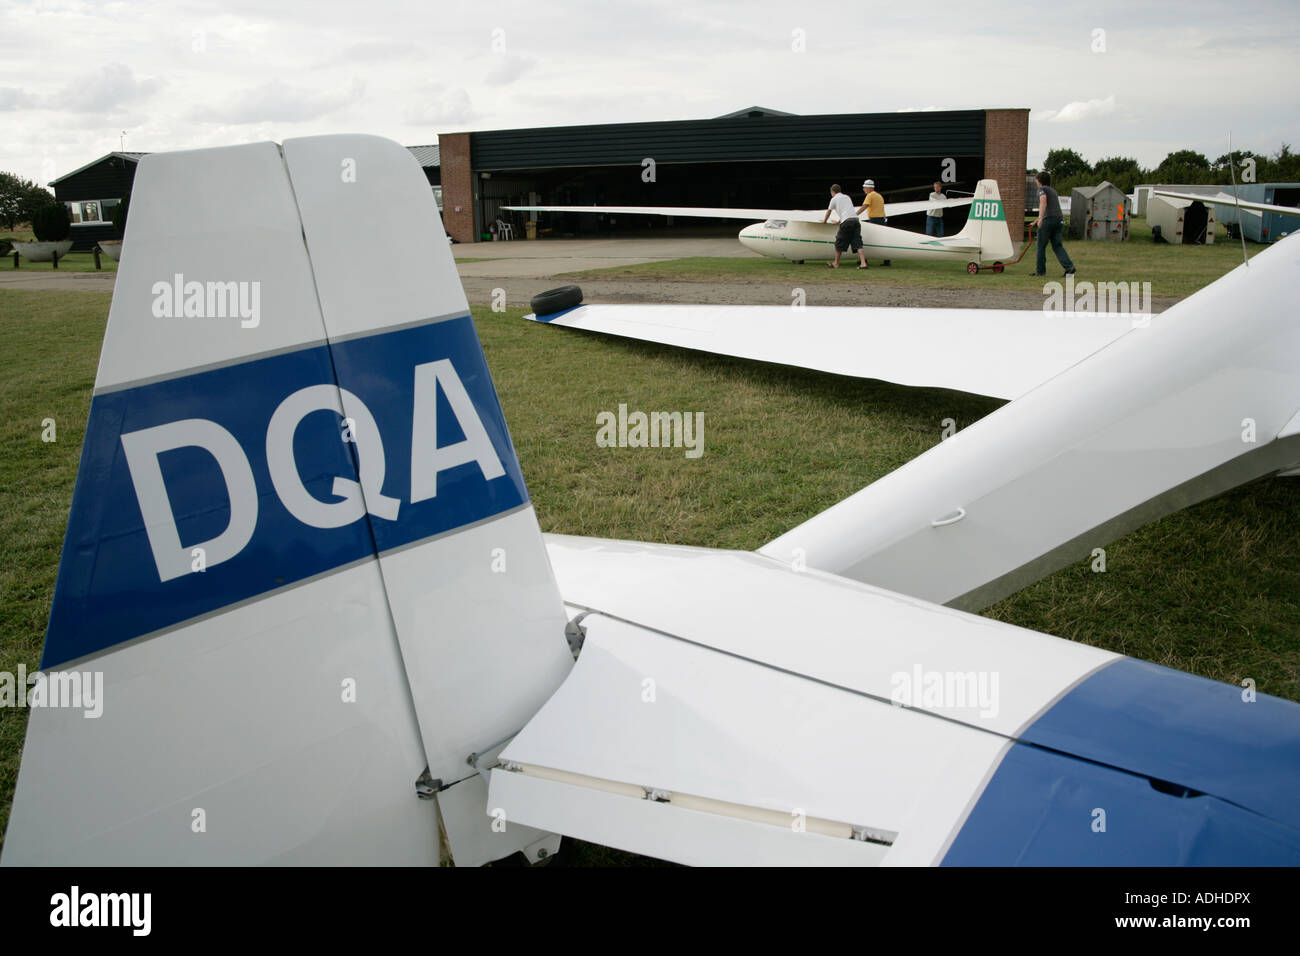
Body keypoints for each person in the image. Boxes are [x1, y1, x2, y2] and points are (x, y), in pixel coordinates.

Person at [1032, 171, 1075, 277]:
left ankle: (1040, 271)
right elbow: (1052, 207)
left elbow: (1043, 201)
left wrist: (1041, 218)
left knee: (1041, 246)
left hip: (1048, 220)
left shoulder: (1042, 190)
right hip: (1058, 220)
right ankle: (1069, 268)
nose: (1036, 182)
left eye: (1036, 180)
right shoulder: (1053, 191)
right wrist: (1037, 219)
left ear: (1040, 181)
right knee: (1057, 245)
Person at [823, 184, 867, 269]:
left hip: (846, 223)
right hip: (855, 221)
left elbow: (829, 212)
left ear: (832, 192)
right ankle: (863, 263)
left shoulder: (834, 199)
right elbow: (848, 211)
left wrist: (824, 221)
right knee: (857, 242)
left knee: (839, 242)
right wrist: (839, 221)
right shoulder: (847, 197)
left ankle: (836, 263)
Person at [861, 180, 890, 265]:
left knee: (867, 239)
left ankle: (864, 260)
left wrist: (854, 214)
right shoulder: (879, 195)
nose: (864, 189)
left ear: (869, 188)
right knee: (884, 241)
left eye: (864, 188)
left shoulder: (870, 195)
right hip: (882, 220)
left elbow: (864, 206)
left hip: (874, 220)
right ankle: (887, 260)